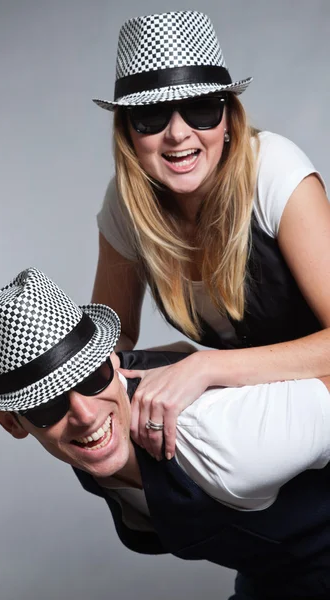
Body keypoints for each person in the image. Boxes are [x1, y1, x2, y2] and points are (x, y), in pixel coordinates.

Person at [0, 267, 330, 599]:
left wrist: (210, 367)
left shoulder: (214, 436)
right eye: (47, 404)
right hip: (273, 579)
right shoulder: (102, 420)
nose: (85, 416)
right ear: (9, 422)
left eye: (90, 377)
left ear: (113, 363)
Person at [91, 10, 330, 461]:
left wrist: (204, 366)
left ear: (227, 117)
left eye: (202, 109)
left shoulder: (272, 169)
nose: (178, 133)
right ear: (127, 130)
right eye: (151, 116)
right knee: (113, 399)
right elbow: (112, 339)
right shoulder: (126, 204)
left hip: (315, 392)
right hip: (253, 399)